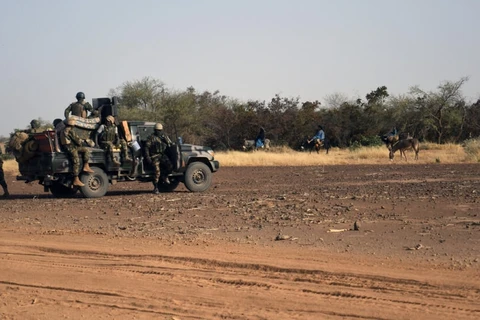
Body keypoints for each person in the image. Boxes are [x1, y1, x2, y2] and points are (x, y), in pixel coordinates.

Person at [60, 117, 94, 187]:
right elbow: (77, 141)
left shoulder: (63, 130)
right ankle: (76, 179)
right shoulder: (70, 131)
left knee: (85, 150)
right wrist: (82, 142)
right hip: (71, 148)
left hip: (67, 147)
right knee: (76, 162)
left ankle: (86, 166)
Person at [144, 123, 173, 194]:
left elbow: (170, 144)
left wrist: (165, 140)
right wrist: (148, 157)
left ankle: (165, 176)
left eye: (160, 130)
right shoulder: (151, 138)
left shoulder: (164, 136)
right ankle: (156, 187)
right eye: (157, 130)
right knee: (157, 171)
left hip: (162, 155)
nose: (159, 132)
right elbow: (146, 147)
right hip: (154, 156)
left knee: (170, 166)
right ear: (155, 130)